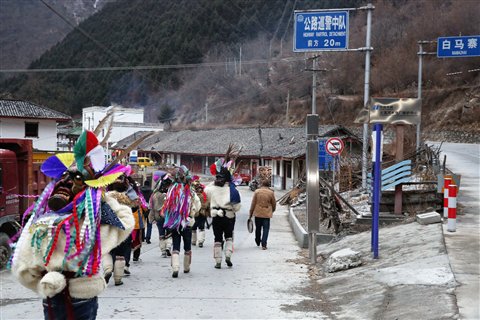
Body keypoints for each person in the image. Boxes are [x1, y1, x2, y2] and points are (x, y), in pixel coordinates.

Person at [11, 130, 134, 319]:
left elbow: (23, 270)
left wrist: (45, 283)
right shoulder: (94, 221)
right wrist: (102, 197)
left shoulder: (41, 224)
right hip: (84, 293)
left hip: (52, 292)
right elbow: (126, 221)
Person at [205, 144, 242, 269]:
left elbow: (205, 193)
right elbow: (237, 207)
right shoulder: (232, 190)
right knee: (228, 236)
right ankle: (228, 256)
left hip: (216, 216)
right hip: (229, 216)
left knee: (217, 238)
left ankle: (218, 261)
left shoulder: (211, 189)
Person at [161, 165, 200, 278]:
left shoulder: (171, 192)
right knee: (187, 246)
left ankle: (175, 267)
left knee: (176, 244)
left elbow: (166, 207)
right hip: (187, 223)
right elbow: (197, 207)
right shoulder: (191, 193)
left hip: (174, 223)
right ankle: (186, 267)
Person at [148, 170, 173, 258]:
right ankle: (168, 247)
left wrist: (151, 218)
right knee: (169, 232)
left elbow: (151, 207)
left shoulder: (154, 195)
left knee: (161, 234)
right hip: (169, 216)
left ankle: (163, 250)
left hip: (158, 217)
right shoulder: (171, 194)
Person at [249, 180, 276, 250]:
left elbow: (253, 203)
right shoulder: (271, 193)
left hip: (257, 213)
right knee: (266, 229)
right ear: (268, 185)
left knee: (258, 228)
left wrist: (251, 213)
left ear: (261, 184)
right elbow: (274, 203)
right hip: (266, 213)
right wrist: (272, 210)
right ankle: (264, 244)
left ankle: (257, 240)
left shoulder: (257, 192)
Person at [191, 178, 210, 248]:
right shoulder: (204, 195)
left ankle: (193, 241)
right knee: (201, 227)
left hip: (195, 213)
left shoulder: (192, 195)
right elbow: (207, 204)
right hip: (202, 213)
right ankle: (200, 241)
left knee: (193, 227)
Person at [141, 180, 153, 244]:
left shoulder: (140, 191)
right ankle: (148, 238)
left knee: (142, 224)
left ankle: (142, 237)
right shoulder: (151, 191)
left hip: (142, 209)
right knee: (149, 224)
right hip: (149, 209)